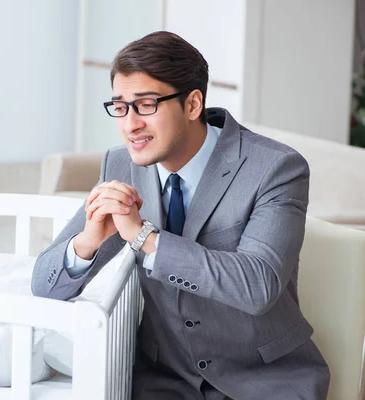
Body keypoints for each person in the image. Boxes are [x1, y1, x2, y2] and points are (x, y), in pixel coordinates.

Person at [31, 31, 330, 399]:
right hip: (165, 382)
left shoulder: (276, 167)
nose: (130, 125)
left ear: (192, 105)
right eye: (120, 107)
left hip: (264, 381)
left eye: (145, 105)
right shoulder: (120, 165)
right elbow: (44, 287)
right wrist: (88, 241)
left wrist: (144, 237)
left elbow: (258, 286)